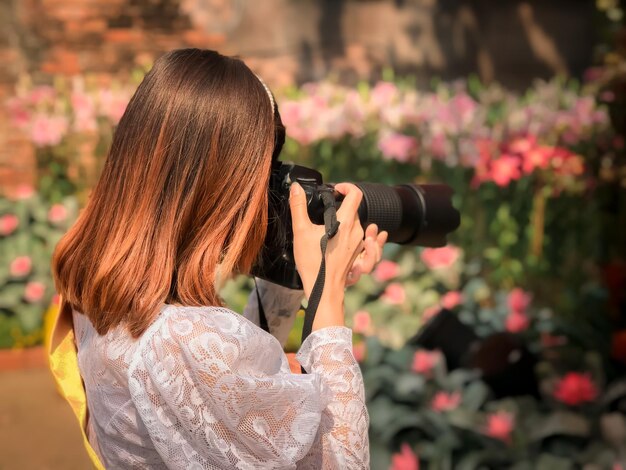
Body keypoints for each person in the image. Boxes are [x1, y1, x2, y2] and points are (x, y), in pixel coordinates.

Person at [51, 49, 387, 469]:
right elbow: (341, 460)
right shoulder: (181, 338)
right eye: (261, 174)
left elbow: (237, 387)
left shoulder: (106, 281)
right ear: (223, 185)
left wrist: (295, 277)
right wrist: (328, 294)